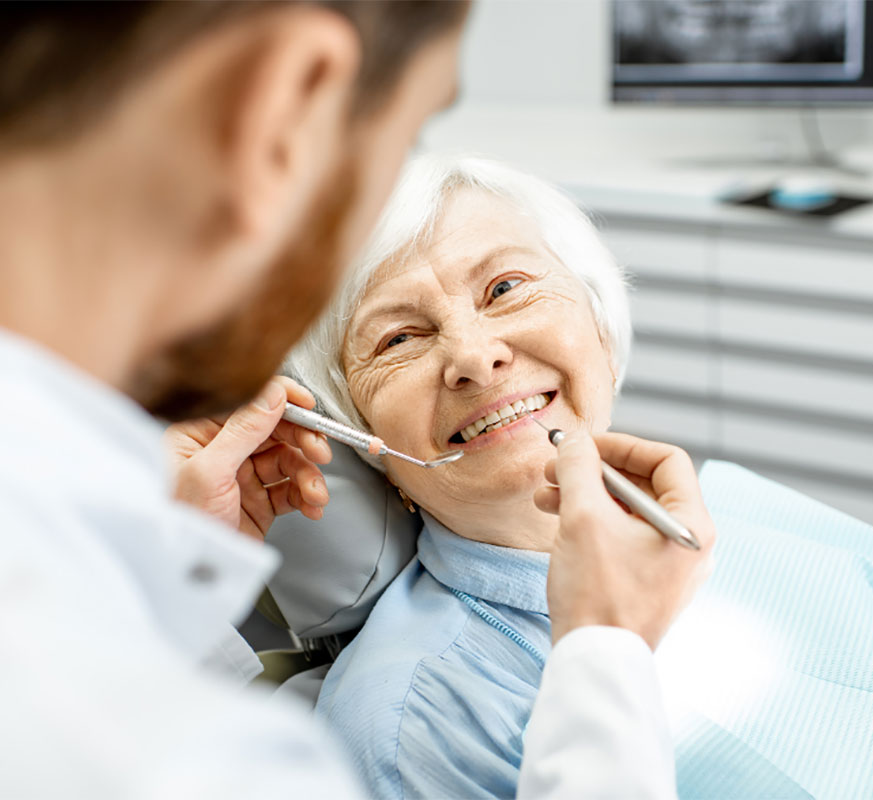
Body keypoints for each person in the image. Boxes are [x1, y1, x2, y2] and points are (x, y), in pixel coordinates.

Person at [0, 4, 713, 797]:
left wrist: (163, 578)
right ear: (289, 101)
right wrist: (606, 654)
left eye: (507, 288)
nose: (475, 356)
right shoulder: (391, 729)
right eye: (412, 129)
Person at [288, 155, 873, 800]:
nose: (473, 355)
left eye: (506, 288)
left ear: (601, 329)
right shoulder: (410, 720)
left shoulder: (759, 520)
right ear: (362, 439)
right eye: (397, 339)